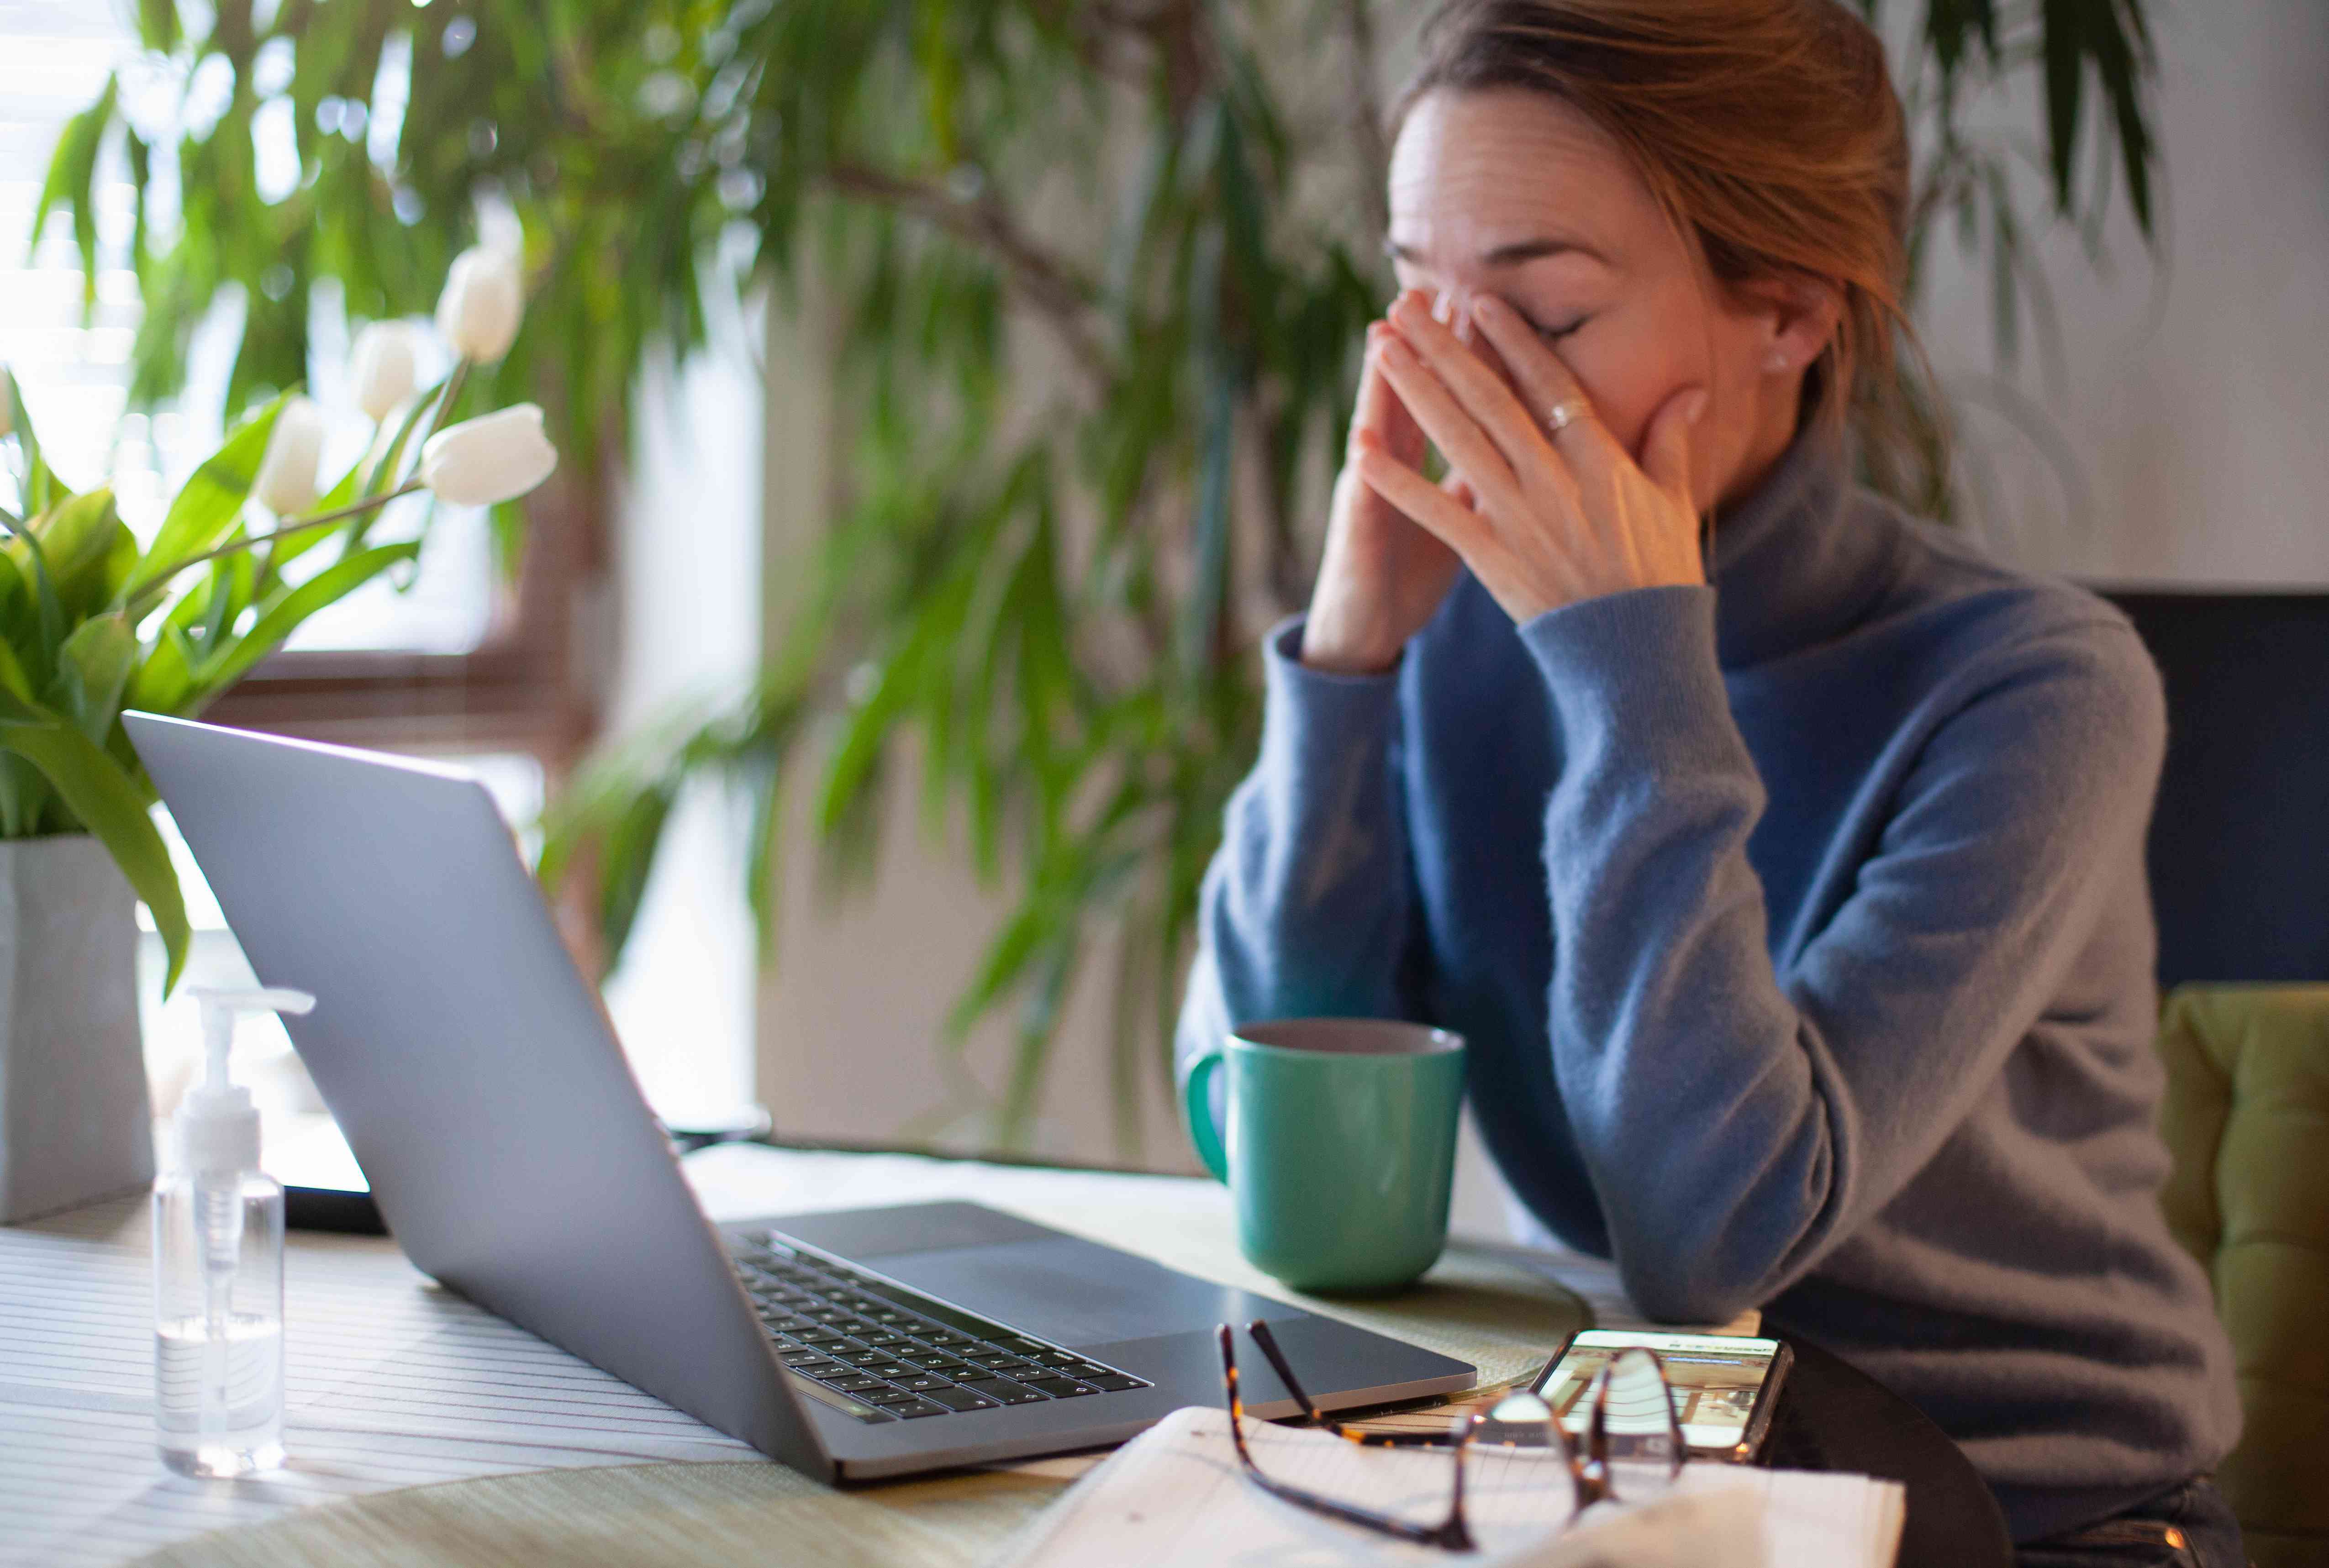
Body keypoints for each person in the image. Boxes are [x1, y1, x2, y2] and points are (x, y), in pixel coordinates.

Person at [1172, 2, 2246, 1562]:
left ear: (1788, 315)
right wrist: (1349, 659)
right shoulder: (1472, 629)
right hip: (1666, 1473)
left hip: (2041, 1518)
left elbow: (1709, 1233)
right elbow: (1264, 1131)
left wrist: (1630, 669)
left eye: (1541, 315)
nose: (1445, 378)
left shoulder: (2036, 691)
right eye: (1413, 294)